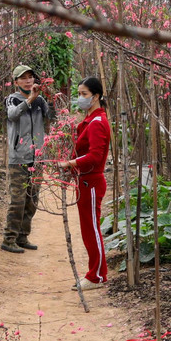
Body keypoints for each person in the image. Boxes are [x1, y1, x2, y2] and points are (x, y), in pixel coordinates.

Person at [56, 77, 111, 289]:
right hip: (84, 181)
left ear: (96, 97)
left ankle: (96, 276)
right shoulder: (89, 120)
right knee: (88, 229)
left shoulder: (97, 123)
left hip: (92, 182)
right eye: (78, 94)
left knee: (93, 229)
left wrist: (70, 163)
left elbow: (96, 156)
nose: (80, 98)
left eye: (84, 94)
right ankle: (96, 274)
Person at [3, 64, 55, 253]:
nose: (28, 80)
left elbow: (52, 117)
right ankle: (9, 239)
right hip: (19, 158)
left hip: (37, 157)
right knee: (17, 200)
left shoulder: (40, 100)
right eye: (23, 78)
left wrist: (49, 98)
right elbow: (13, 115)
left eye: (30, 77)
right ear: (16, 82)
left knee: (32, 200)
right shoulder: (12, 100)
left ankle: (23, 237)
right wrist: (29, 100)